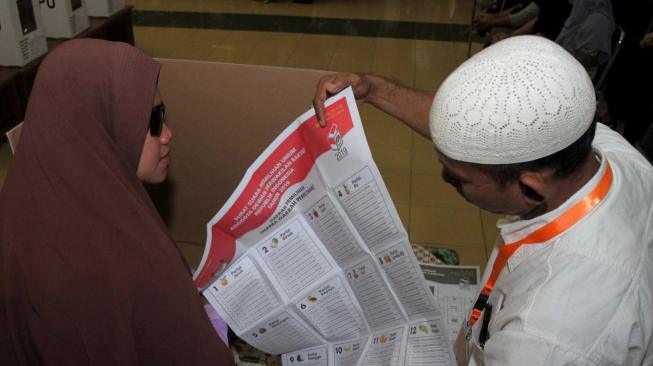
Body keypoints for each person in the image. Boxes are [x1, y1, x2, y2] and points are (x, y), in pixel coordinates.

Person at [313, 36, 653, 365]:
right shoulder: (585, 146)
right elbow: (470, 129)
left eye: (459, 178)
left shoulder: (544, 336)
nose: (445, 179)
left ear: (530, 189)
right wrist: (374, 90)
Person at [0, 39, 234, 365]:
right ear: (100, 124)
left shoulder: (16, 214)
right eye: (152, 120)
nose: (167, 134)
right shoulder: (138, 261)